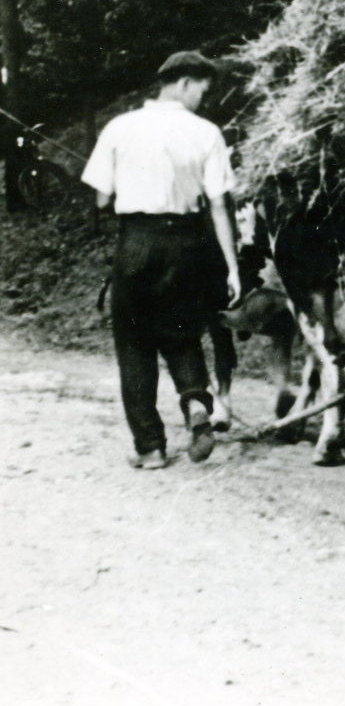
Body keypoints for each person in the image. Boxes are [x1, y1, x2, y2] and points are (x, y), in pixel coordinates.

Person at [81, 51, 242, 469]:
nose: (203, 100)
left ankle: (150, 447)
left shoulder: (120, 127)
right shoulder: (206, 133)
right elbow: (219, 205)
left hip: (136, 241)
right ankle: (196, 404)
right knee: (182, 332)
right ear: (184, 83)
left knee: (134, 343)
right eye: (202, 91)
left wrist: (126, 189)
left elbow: (101, 199)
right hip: (187, 243)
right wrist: (232, 266)